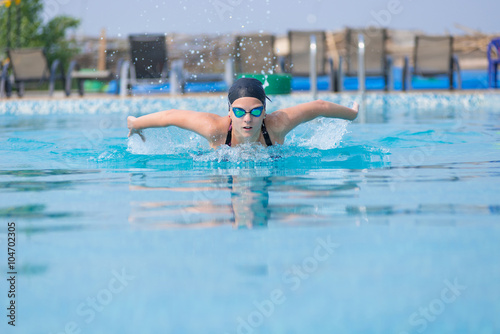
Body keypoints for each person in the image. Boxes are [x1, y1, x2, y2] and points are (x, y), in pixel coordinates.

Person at [127, 77, 359, 148]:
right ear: (229, 112)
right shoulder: (214, 129)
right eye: (239, 112)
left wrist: (352, 114)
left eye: (256, 111)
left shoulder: (277, 124)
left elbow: (319, 107)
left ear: (265, 111)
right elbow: (170, 116)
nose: (248, 119)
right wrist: (136, 123)